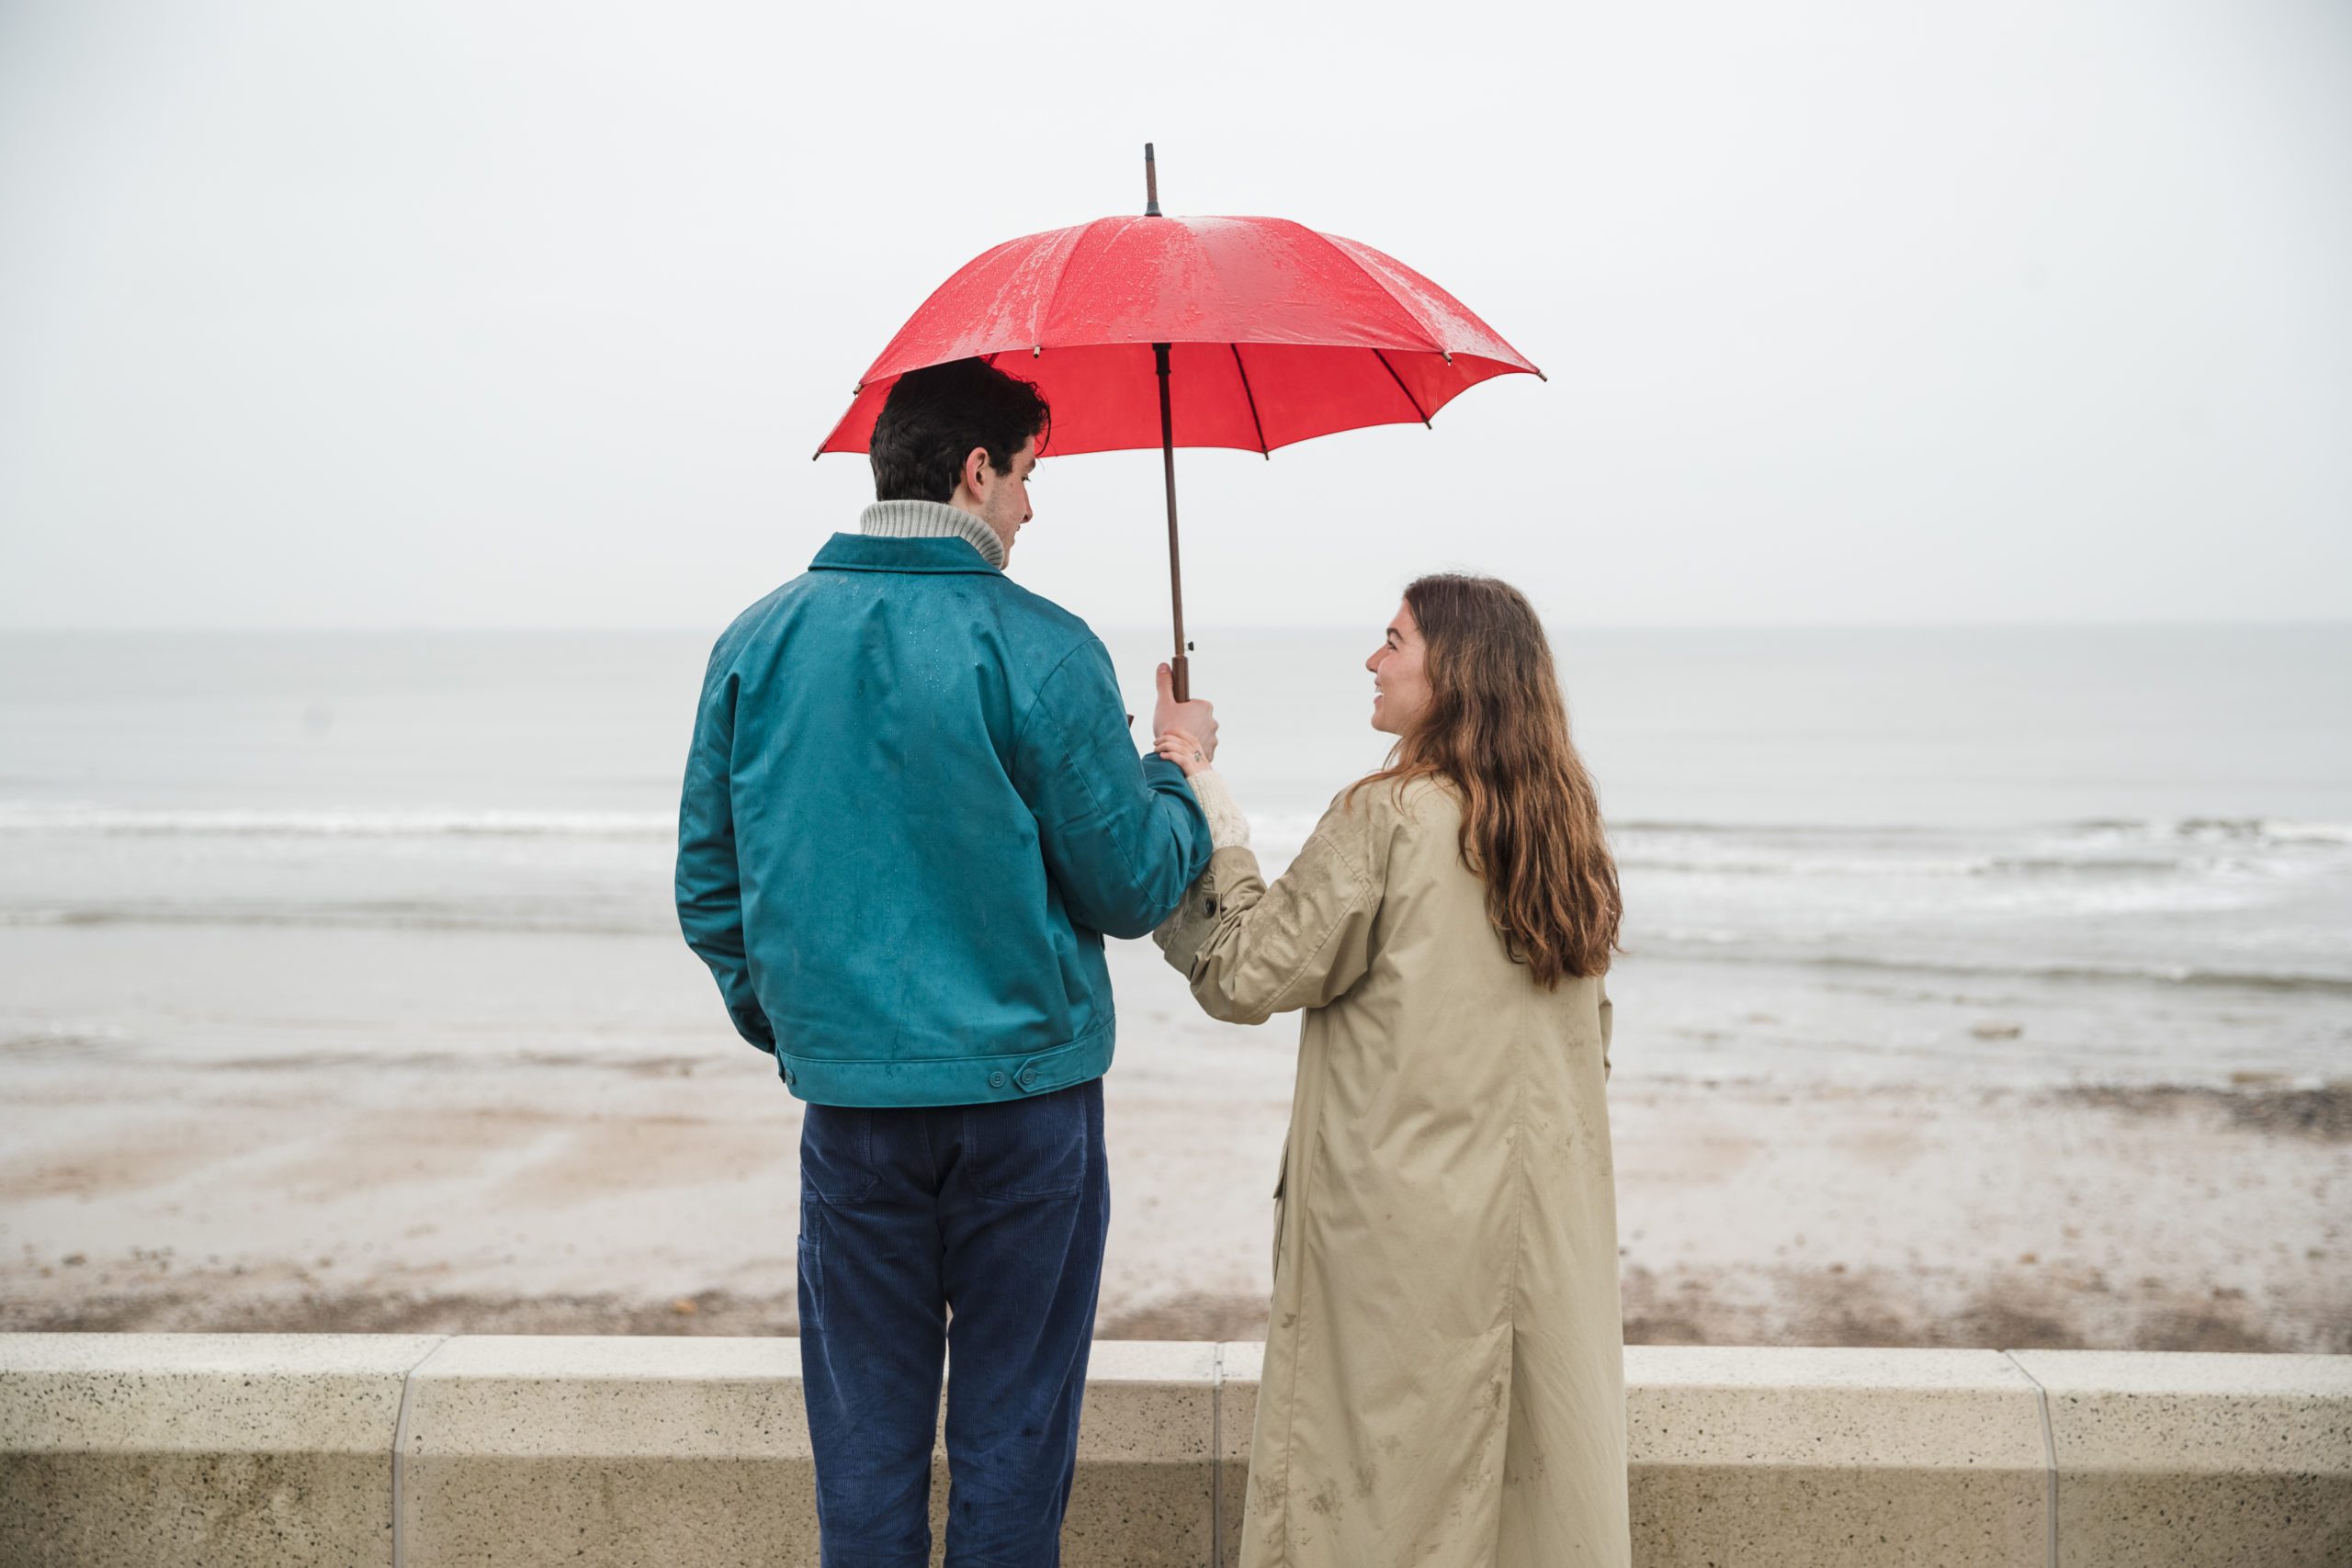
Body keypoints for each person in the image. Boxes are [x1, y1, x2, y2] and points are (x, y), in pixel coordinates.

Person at [675, 356, 1217, 1566]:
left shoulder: (755, 642)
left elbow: (712, 891)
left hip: (854, 1109)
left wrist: (816, 1030)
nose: (1030, 507)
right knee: (1012, 1447)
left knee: (863, 1455)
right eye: (1029, 476)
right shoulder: (1045, 649)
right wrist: (1177, 766)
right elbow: (1132, 882)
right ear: (977, 469)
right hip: (1027, 1115)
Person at [1152, 574, 1631, 1568]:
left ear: (1452, 670)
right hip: (1544, 1236)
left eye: (1393, 641)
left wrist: (1195, 785)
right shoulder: (1564, 831)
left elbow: (1244, 968)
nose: (1372, 661)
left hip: (1396, 1246)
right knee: (1521, 1509)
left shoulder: (1391, 816)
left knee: (1375, 1507)